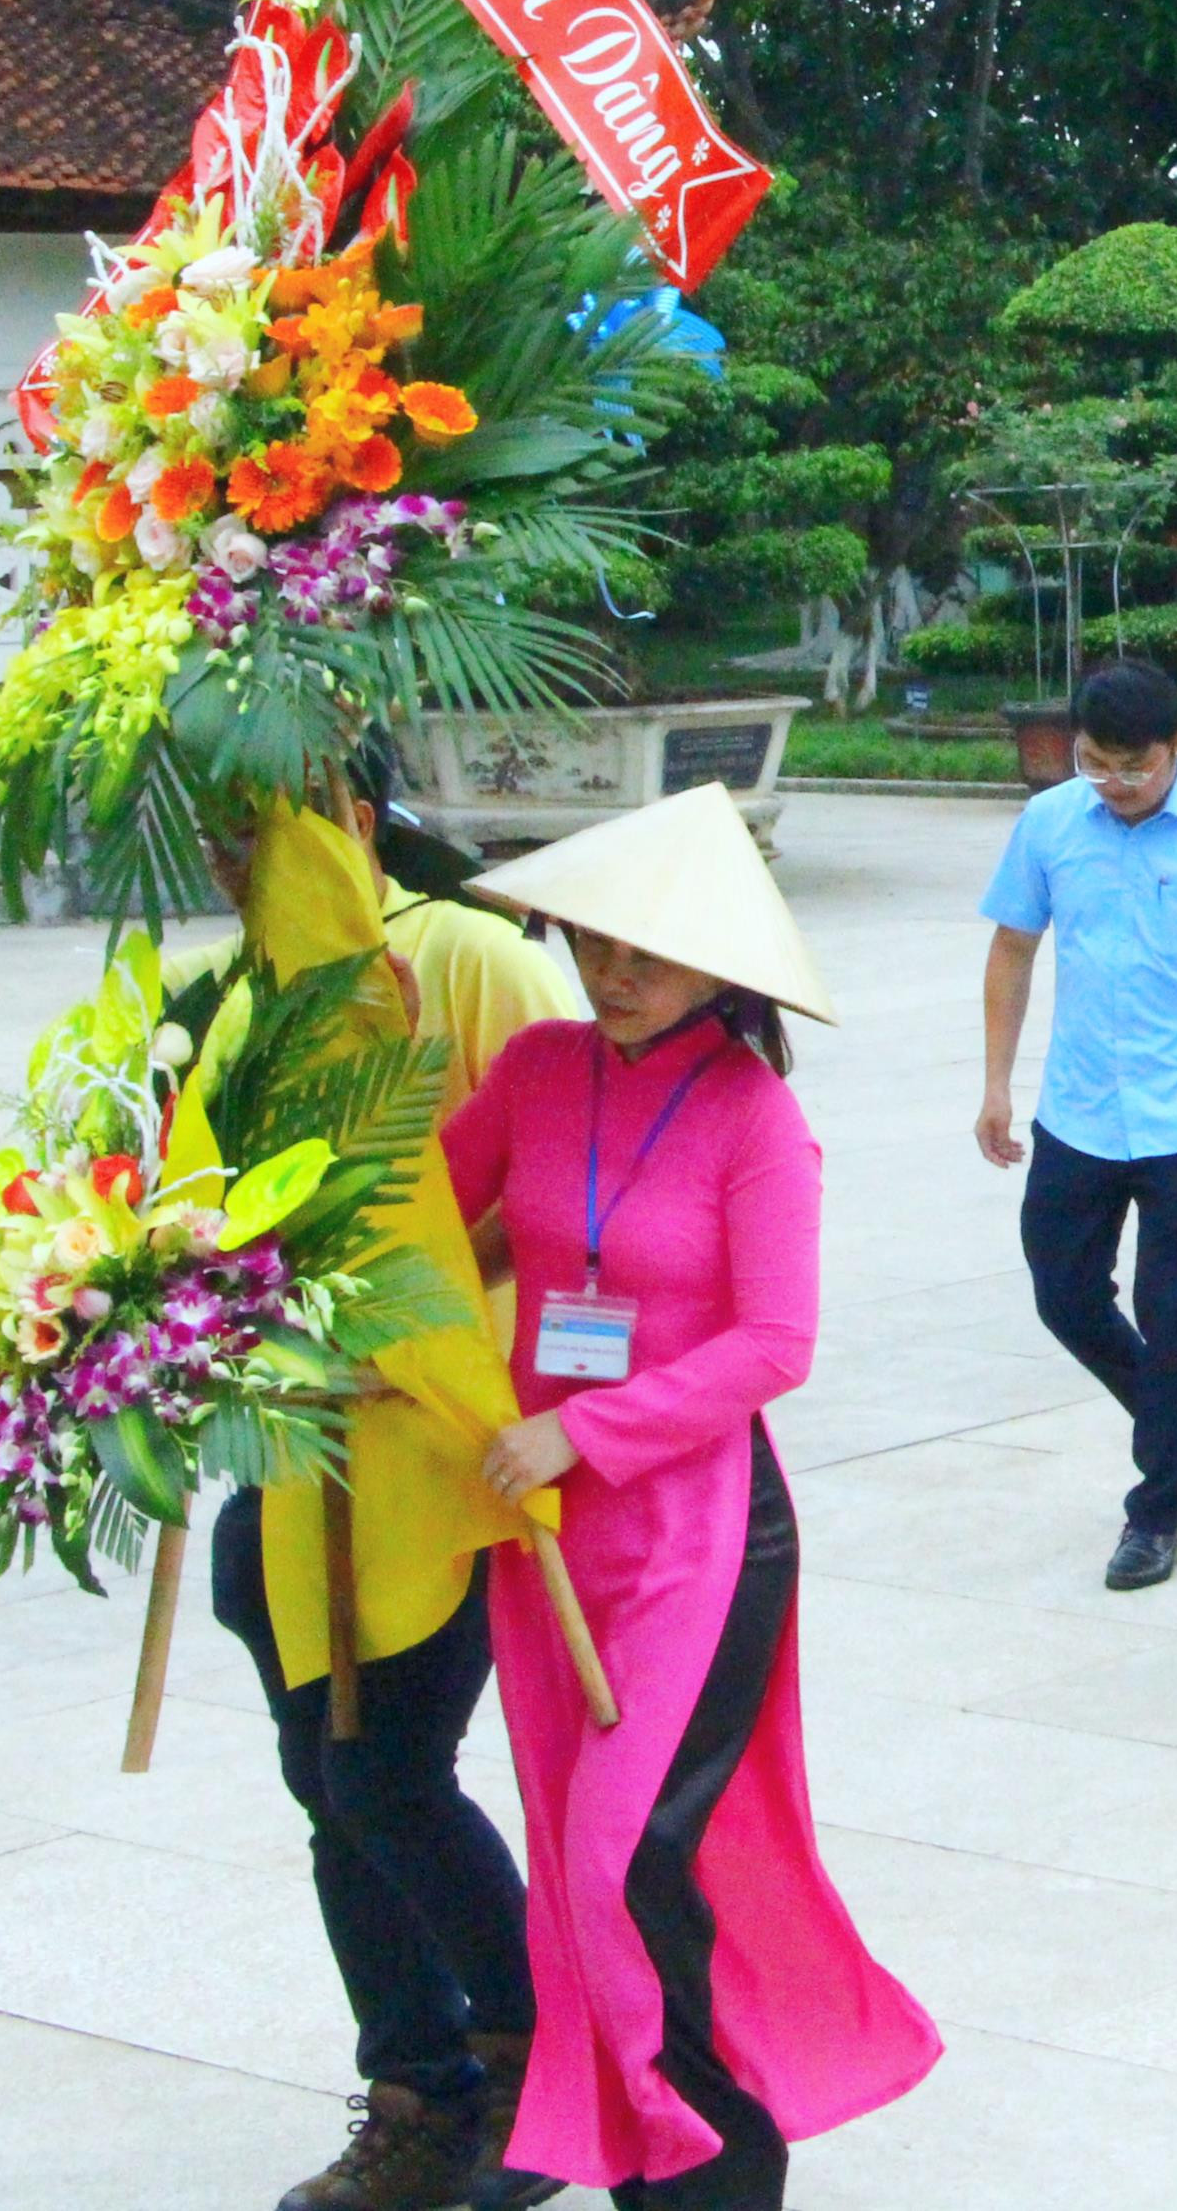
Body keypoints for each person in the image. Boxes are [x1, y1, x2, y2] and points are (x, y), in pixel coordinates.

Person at [455, 782, 944, 2209]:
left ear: (720, 971)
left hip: (699, 1533)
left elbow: (773, 1347)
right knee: (573, 1844)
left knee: (625, 1852)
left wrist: (585, 1433)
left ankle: (712, 2155)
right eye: (598, 944)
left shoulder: (753, 1119)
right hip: (546, 1533)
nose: (615, 976)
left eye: (650, 956)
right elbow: (422, 1212)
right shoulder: (541, 1069)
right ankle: (628, 2140)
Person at [202, 759, 581, 2211]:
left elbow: (569, 1161)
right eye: (224, 838)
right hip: (294, 1461)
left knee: (384, 1771)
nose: (242, 865)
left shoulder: (466, 956)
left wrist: (425, 1316)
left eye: (270, 831)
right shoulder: (242, 1001)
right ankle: (418, 2089)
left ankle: (540, 2058)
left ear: (354, 822)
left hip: (444, 1452)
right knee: (327, 1781)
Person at [974, 660, 1177, 1593]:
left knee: (1172, 1307)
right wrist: (997, 1081)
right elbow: (1011, 949)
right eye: (1093, 764)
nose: (1114, 785)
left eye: (1134, 767)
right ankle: (1176, 1402)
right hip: (1078, 1105)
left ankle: (1160, 1502)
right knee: (1063, 1292)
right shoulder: (1048, 825)